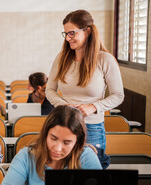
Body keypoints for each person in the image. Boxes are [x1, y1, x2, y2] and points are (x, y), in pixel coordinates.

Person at [46, 9, 124, 152]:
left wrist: (93, 107)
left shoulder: (105, 59)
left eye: (72, 33)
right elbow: (50, 90)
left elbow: (118, 95)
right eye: (66, 34)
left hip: (92, 127)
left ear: (87, 31)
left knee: (91, 172)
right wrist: (64, 106)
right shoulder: (61, 58)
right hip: (64, 123)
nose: (68, 38)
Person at [1, 105, 102, 185]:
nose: (57, 148)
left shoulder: (86, 156)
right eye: (53, 138)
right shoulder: (26, 155)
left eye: (67, 142)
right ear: (45, 134)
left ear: (77, 142)